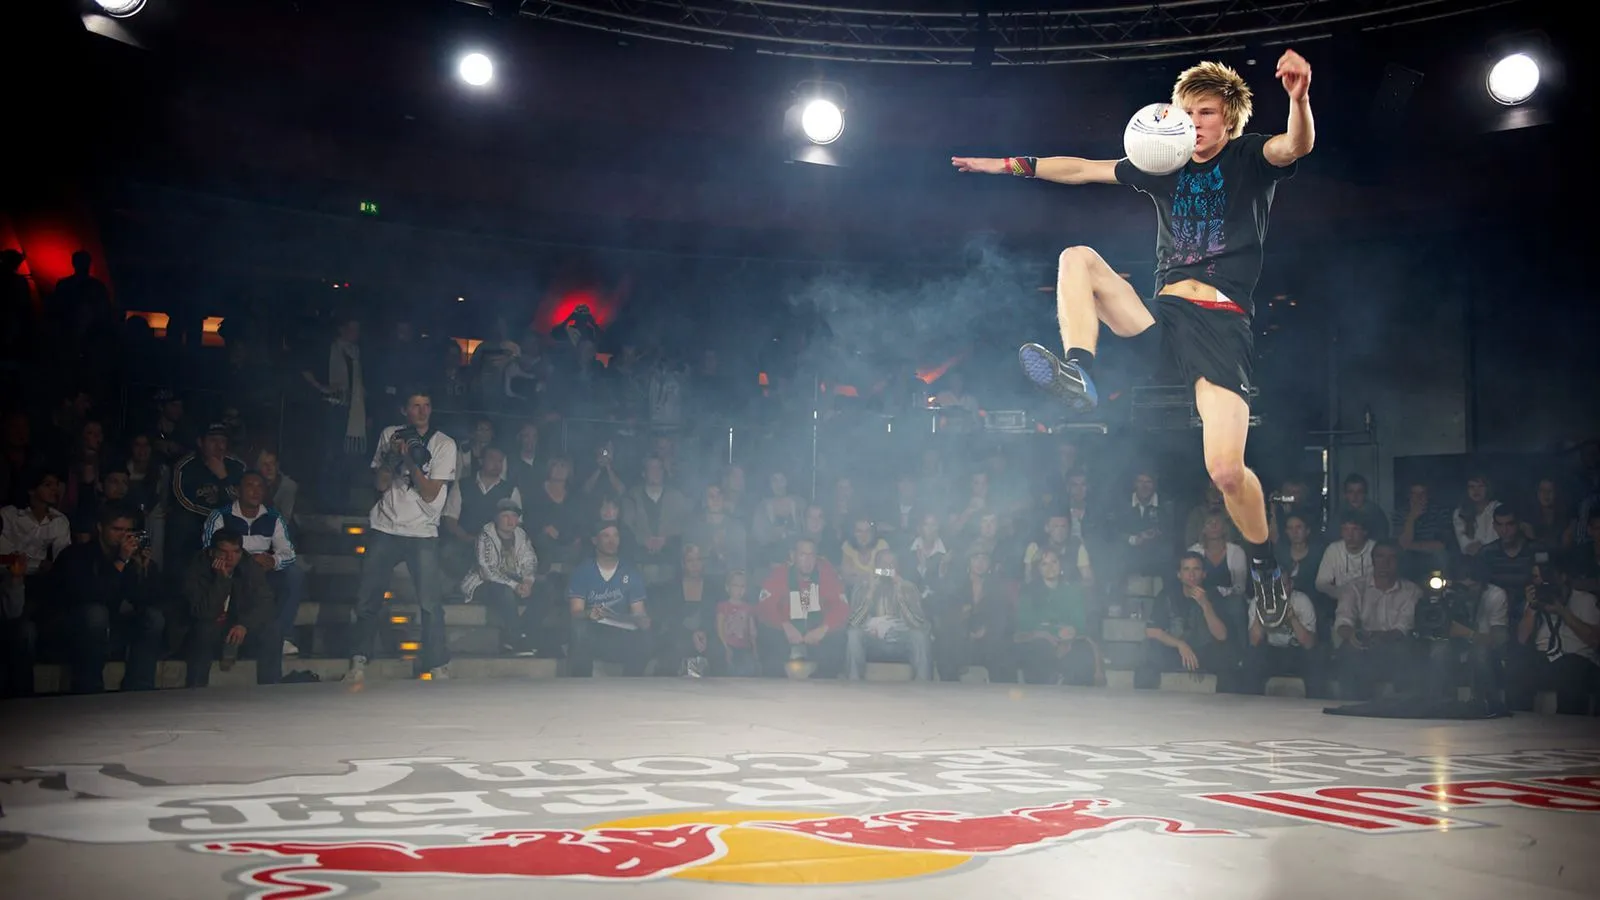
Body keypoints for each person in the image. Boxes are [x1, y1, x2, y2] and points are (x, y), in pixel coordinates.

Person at [952, 52, 1314, 631]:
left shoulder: (1250, 157)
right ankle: (1077, 371)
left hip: (1221, 328)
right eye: (1188, 112)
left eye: (1206, 113)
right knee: (1076, 257)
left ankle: (1267, 568)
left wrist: (1298, 97)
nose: (1195, 122)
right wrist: (1000, 165)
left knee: (1225, 471)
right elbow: (1077, 169)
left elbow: (1294, 147)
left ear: (1230, 118)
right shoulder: (1163, 164)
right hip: (1163, 318)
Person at [343, 389, 458, 683]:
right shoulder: (390, 435)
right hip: (386, 527)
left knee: (430, 603)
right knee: (369, 595)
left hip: (423, 531)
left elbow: (431, 492)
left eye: (427, 405)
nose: (422, 411)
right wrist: (392, 455)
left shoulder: (444, 444)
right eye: (416, 405)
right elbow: (381, 485)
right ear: (404, 410)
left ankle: (437, 664)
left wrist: (409, 461)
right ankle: (359, 659)